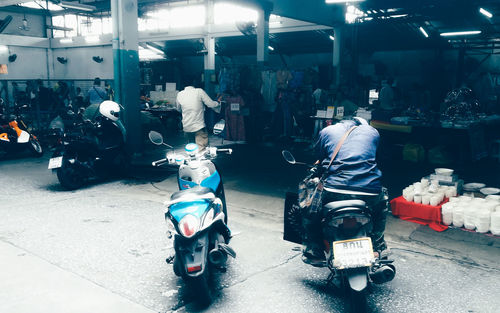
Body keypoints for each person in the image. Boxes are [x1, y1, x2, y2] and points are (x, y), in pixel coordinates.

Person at [302, 117, 389, 264]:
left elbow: (319, 156)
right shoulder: (372, 132)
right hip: (370, 191)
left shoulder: (327, 131)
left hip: (334, 190)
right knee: (381, 208)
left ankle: (314, 249)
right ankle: (378, 246)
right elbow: (377, 157)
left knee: (310, 207)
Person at [175, 79, 221, 151]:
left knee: (191, 151)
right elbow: (210, 104)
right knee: (201, 152)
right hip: (199, 127)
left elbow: (178, 109)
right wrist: (218, 103)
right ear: (194, 82)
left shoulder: (180, 94)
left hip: (187, 128)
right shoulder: (199, 91)